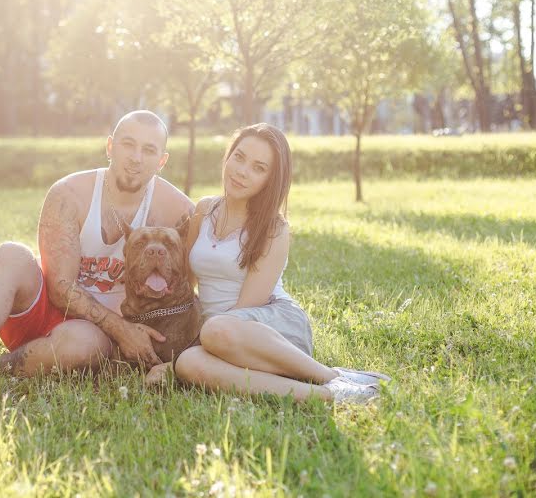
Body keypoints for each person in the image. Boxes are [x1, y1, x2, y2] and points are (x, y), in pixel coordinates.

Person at [0, 110, 194, 399]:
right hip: (44, 312)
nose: (136, 158)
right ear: (110, 146)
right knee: (12, 254)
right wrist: (123, 329)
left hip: (91, 341)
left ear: (162, 160)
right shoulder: (70, 193)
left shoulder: (176, 209)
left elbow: (205, 270)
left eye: (149, 150)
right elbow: (60, 289)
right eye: (128, 144)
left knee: (85, 343)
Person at [149, 123, 389, 404]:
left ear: (270, 179)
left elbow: (248, 307)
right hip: (217, 335)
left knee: (216, 330)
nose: (241, 171)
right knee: (189, 365)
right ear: (228, 156)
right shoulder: (204, 210)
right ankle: (328, 395)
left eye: (258, 168)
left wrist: (198, 342)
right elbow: (187, 288)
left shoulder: (274, 229)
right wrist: (175, 354)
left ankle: (331, 375)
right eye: (239, 157)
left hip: (270, 330)